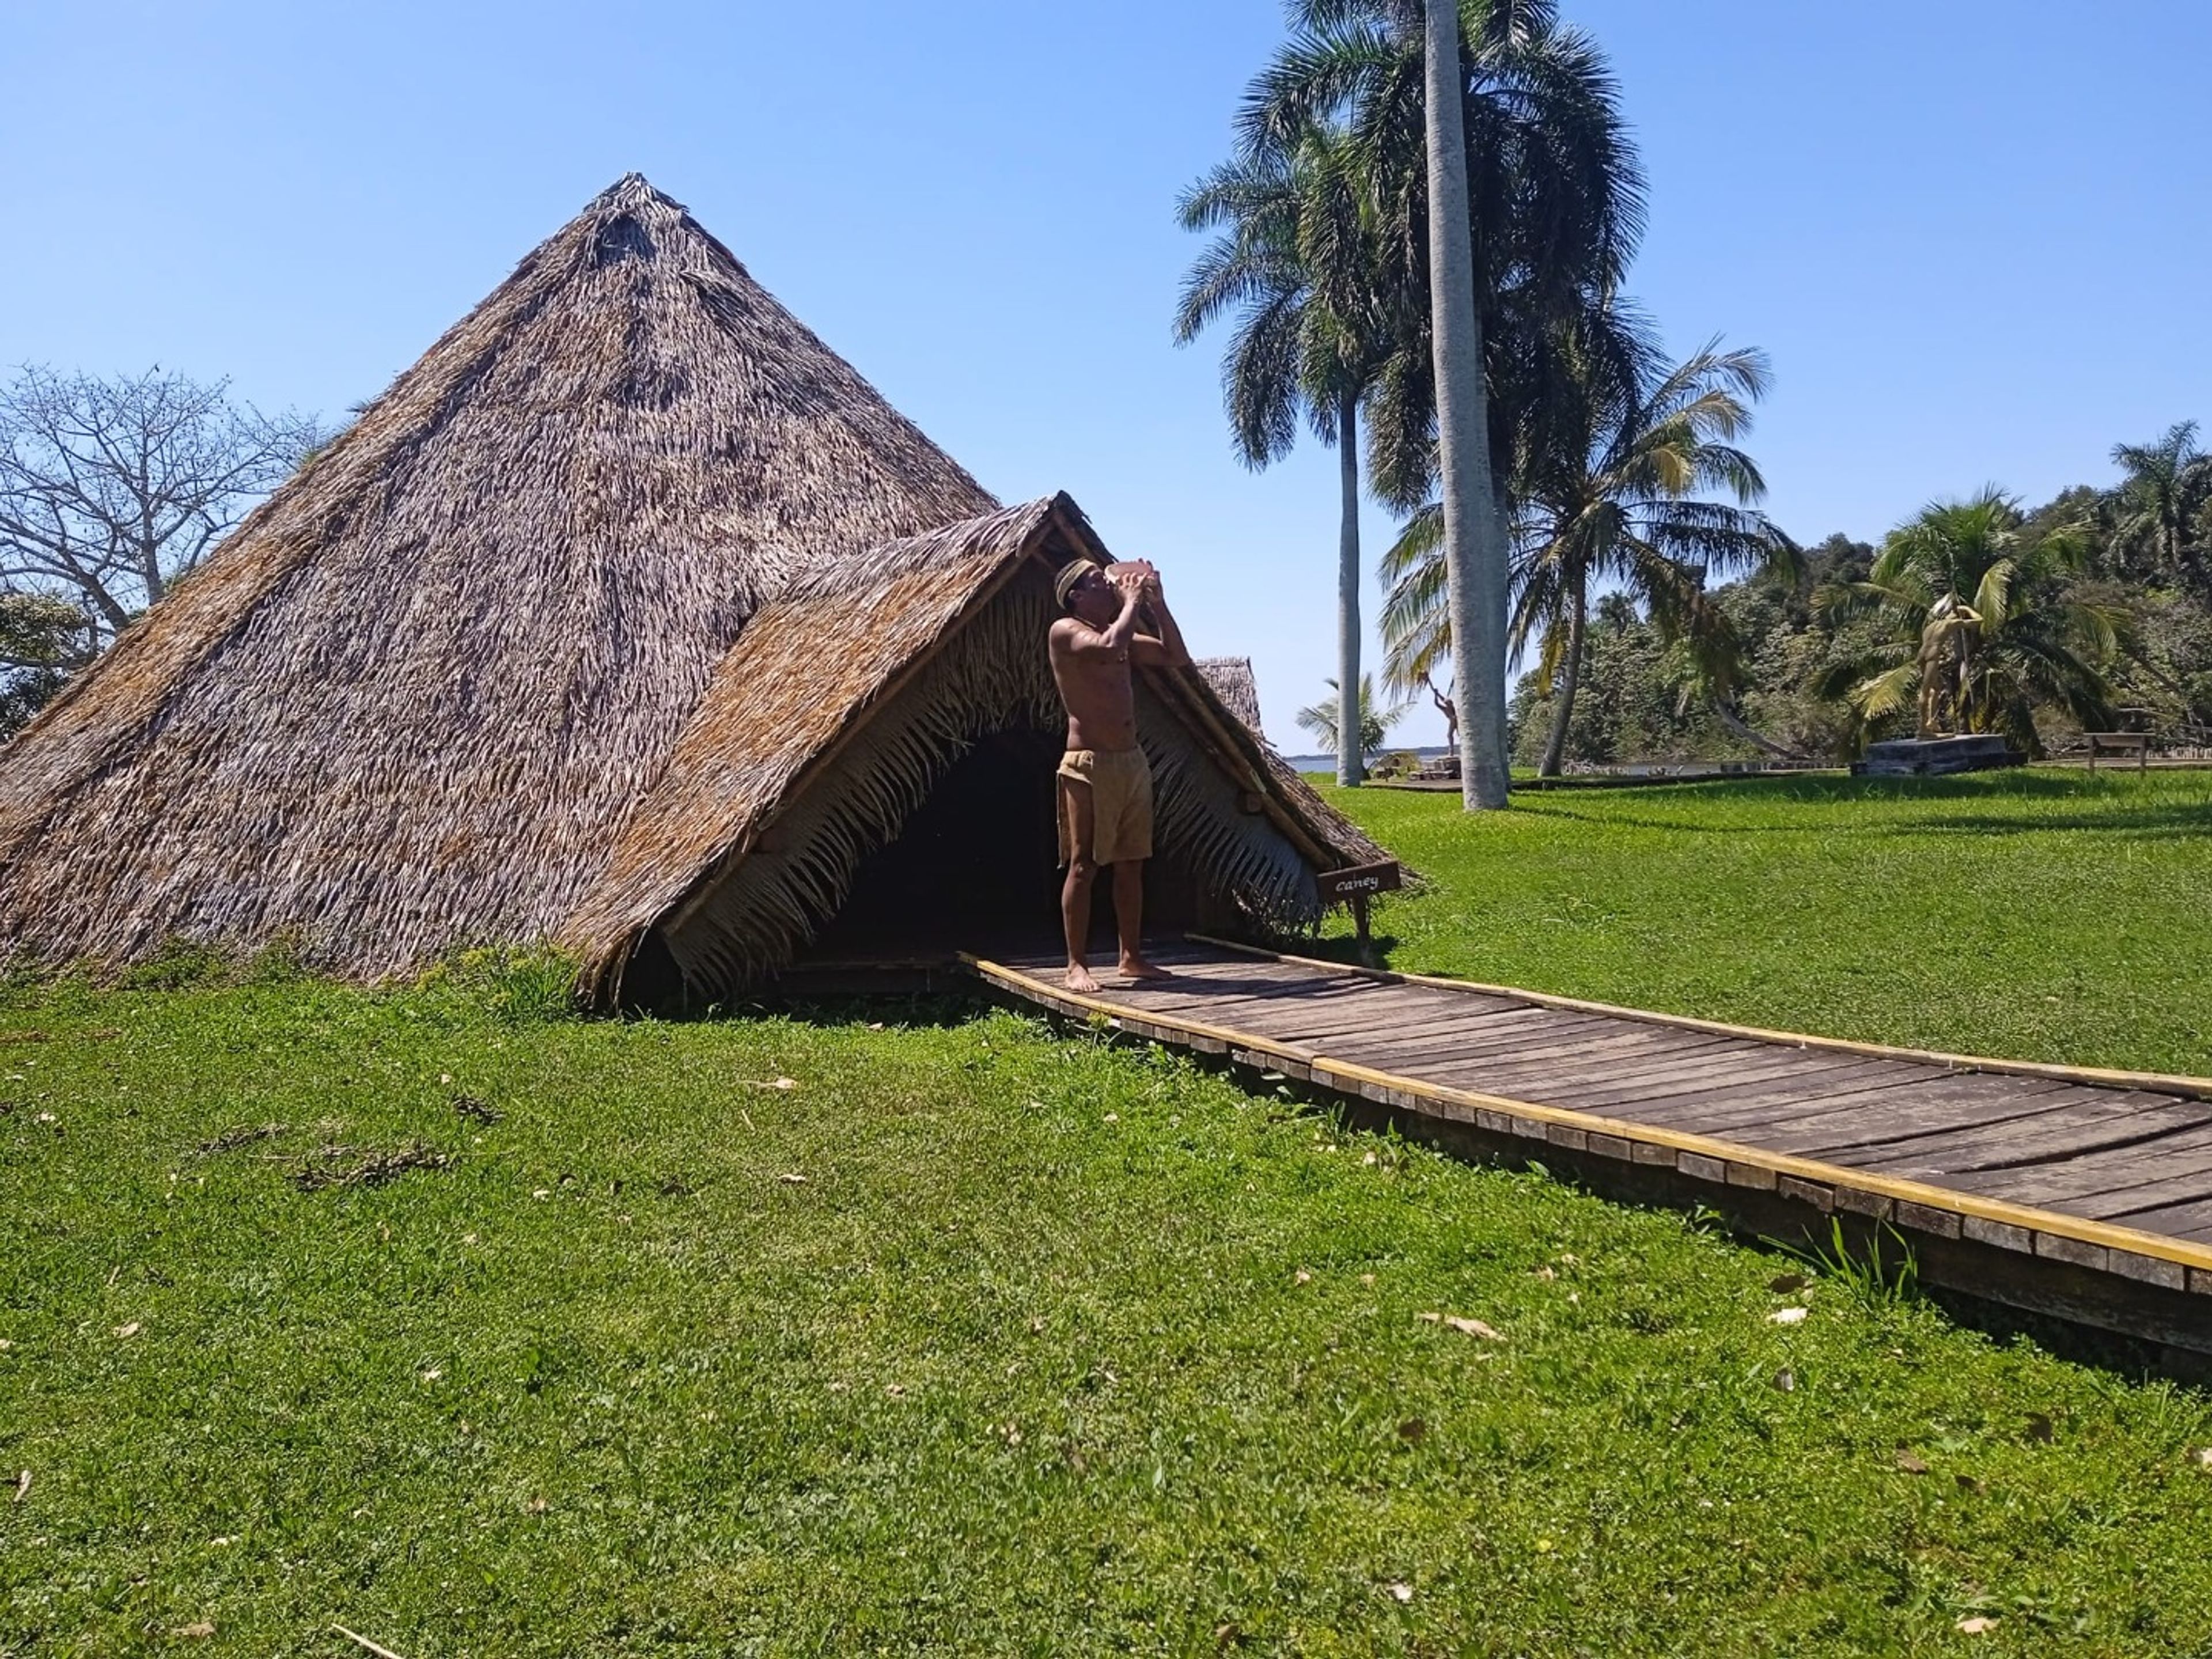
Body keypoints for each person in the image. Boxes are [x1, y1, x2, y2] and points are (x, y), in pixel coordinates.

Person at [1047, 556, 1191, 991]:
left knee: (1132, 863)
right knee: (1083, 864)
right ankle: (1077, 965)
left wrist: (1158, 605)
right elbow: (1109, 647)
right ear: (1076, 595)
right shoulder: (1065, 631)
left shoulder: (1123, 635)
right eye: (1098, 582)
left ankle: (1131, 957)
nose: (1108, 588)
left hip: (1130, 762)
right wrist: (1131, 601)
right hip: (1088, 764)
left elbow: (1175, 656)